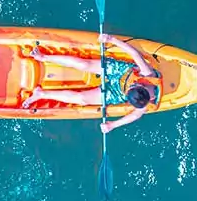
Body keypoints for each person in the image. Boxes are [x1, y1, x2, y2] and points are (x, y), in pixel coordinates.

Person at [21, 33, 160, 132]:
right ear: (139, 85)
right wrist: (111, 39)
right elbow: (135, 54)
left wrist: (113, 125)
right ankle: (43, 57)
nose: (131, 86)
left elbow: (136, 115)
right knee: (84, 65)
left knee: (82, 99)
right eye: (132, 86)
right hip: (120, 71)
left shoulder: (143, 103)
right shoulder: (147, 74)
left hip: (117, 92)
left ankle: (41, 94)